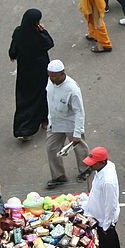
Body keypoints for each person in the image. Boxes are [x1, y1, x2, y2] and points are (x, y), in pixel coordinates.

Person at [8, 9, 55, 141]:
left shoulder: (18, 32)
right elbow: (49, 43)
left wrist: (14, 55)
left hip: (25, 72)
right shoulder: (38, 35)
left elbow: (13, 51)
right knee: (41, 95)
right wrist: (43, 31)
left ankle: (24, 129)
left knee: (25, 98)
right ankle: (44, 121)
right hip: (40, 71)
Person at [44, 59, 90, 187]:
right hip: (55, 121)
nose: (52, 78)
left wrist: (77, 133)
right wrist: (50, 120)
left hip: (70, 122)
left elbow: (79, 112)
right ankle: (59, 176)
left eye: (54, 76)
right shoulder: (50, 81)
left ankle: (85, 170)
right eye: (50, 75)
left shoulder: (72, 89)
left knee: (79, 147)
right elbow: (50, 101)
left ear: (62, 73)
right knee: (51, 148)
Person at [82, 146, 125, 248]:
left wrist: (106, 226)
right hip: (100, 217)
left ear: (101, 163)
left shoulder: (108, 182)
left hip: (104, 222)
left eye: (93, 163)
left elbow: (111, 206)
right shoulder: (106, 167)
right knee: (112, 247)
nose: (91, 165)